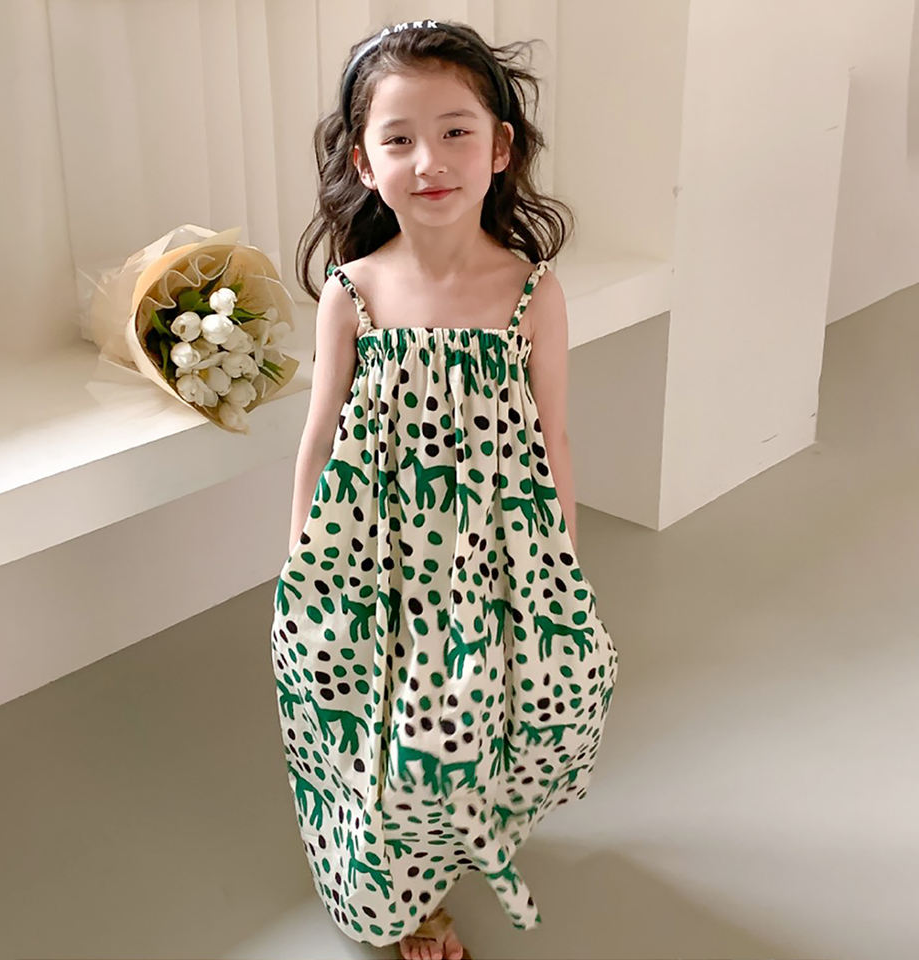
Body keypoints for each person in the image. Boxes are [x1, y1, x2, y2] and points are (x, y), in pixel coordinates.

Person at [271, 19, 620, 960]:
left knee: (503, 711)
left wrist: (563, 564)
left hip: (493, 552)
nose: (429, 160)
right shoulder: (352, 291)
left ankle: (454, 847)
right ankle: (408, 900)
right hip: (373, 554)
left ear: (500, 147)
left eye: (455, 131)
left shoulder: (530, 290)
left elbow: (552, 433)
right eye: (399, 138)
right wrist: (302, 563)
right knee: (387, 739)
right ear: (364, 160)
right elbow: (320, 433)